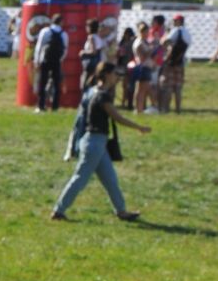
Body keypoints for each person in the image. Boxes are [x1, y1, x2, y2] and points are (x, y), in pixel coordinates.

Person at [51, 59, 149, 221]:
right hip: (94, 144)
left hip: (95, 143)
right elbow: (118, 118)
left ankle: (121, 211)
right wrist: (139, 127)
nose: (117, 77)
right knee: (80, 178)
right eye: (115, 74)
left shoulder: (91, 91)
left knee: (110, 180)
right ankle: (58, 210)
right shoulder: (102, 96)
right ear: (107, 75)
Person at [158, 13, 191, 113]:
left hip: (171, 62)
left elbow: (164, 42)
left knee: (168, 86)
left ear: (178, 21)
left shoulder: (176, 30)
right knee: (178, 87)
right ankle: (178, 109)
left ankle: (166, 108)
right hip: (180, 62)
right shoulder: (187, 32)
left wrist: (165, 36)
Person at [33, 14, 66, 112]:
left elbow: (39, 46)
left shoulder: (45, 31)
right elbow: (65, 49)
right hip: (56, 61)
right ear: (61, 22)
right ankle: (55, 106)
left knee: (42, 83)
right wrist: (60, 59)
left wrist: (37, 60)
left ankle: (41, 105)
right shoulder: (64, 34)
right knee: (56, 84)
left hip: (45, 60)